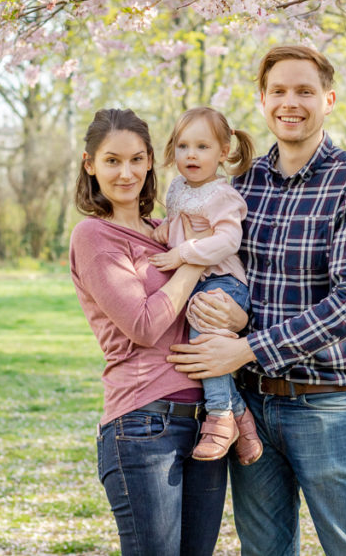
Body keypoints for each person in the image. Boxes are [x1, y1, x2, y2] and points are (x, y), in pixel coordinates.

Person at [168, 46, 346, 555]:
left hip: (325, 403)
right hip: (251, 405)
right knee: (263, 551)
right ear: (263, 101)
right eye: (280, 91)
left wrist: (246, 347)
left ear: (328, 100)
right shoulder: (241, 187)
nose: (292, 102)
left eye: (305, 91)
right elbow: (228, 276)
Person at [69, 108, 236, 556]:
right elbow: (144, 326)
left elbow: (220, 299)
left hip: (204, 423)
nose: (126, 173)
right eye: (112, 160)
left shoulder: (166, 232)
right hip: (143, 426)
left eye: (136, 160)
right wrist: (195, 259)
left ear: (149, 163)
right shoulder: (94, 237)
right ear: (90, 164)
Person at [148, 106, 263, 465]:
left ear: (223, 151)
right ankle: (241, 419)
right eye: (183, 146)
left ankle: (219, 416)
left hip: (224, 282)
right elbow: (178, 221)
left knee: (204, 343)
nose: (191, 155)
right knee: (198, 345)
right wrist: (168, 229)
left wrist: (183, 250)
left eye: (202, 147)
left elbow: (228, 241)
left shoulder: (222, 194)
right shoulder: (178, 187)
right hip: (197, 279)